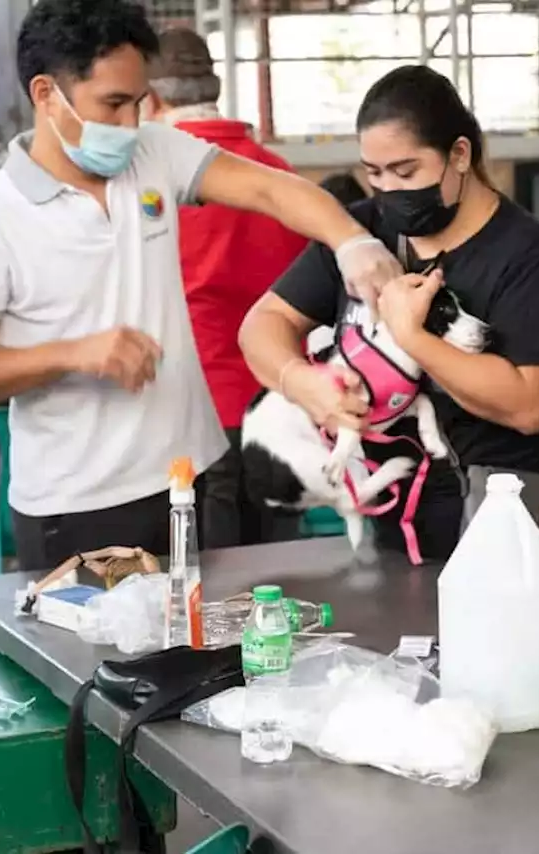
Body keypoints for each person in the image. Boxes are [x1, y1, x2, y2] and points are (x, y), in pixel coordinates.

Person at [0, 0, 401, 571]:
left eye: (139, 101)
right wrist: (75, 354)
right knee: (95, 659)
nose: (130, 124)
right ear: (46, 94)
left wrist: (352, 240)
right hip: (77, 505)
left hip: (186, 478)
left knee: (202, 651)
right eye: (113, 105)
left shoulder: (153, 154)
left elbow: (272, 191)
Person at [238, 65, 539, 560]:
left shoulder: (527, 254)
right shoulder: (362, 234)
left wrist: (413, 336)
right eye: (374, 173)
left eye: (406, 172)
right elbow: (262, 325)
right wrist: (300, 382)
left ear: (459, 154)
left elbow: (529, 406)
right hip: (403, 527)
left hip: (507, 523)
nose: (390, 190)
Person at [144, 25, 309, 549]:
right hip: (279, 404)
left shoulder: (150, 184)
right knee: (277, 577)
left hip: (190, 412)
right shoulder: (279, 176)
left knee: (205, 582)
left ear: (150, 99)